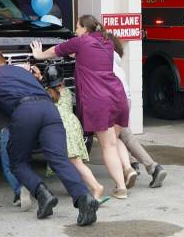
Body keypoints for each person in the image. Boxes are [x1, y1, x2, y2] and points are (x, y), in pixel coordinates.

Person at [0, 52, 99, 226]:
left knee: (17, 162)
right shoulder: (23, 72)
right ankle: (84, 198)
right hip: (49, 110)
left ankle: (42, 194)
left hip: (25, 111)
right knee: (59, 159)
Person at [32, 15, 133, 199]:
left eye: (77, 28)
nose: (75, 31)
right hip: (118, 96)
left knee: (108, 146)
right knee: (113, 142)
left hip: (99, 99)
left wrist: (39, 55)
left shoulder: (81, 41)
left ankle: (121, 187)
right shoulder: (106, 42)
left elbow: (56, 50)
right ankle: (124, 176)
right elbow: (83, 55)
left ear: (84, 29)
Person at [42, 63, 105, 200]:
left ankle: (96, 187)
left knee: (75, 162)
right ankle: (77, 188)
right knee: (71, 161)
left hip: (63, 129)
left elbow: (43, 91)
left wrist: (38, 77)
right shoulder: (66, 91)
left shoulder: (48, 94)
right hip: (73, 126)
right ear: (63, 81)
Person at [112, 38, 167, 189]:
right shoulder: (116, 62)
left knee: (115, 138)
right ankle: (133, 164)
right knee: (124, 136)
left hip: (114, 101)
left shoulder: (102, 58)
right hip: (125, 100)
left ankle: (152, 167)